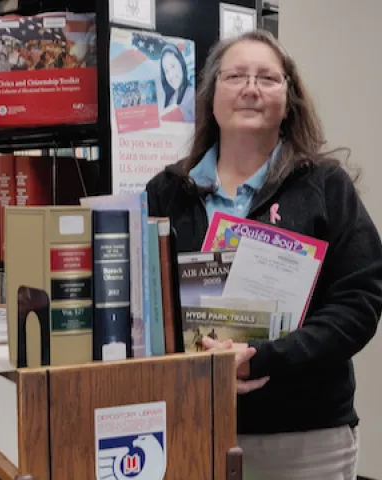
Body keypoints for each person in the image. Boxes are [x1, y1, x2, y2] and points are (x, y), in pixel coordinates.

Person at [146, 29, 382, 479]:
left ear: (289, 100)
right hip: (192, 423)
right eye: (235, 76)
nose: (251, 88)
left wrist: (265, 356)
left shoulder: (327, 188)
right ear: (211, 96)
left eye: (268, 78)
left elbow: (359, 304)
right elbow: (151, 308)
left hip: (306, 437)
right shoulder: (166, 192)